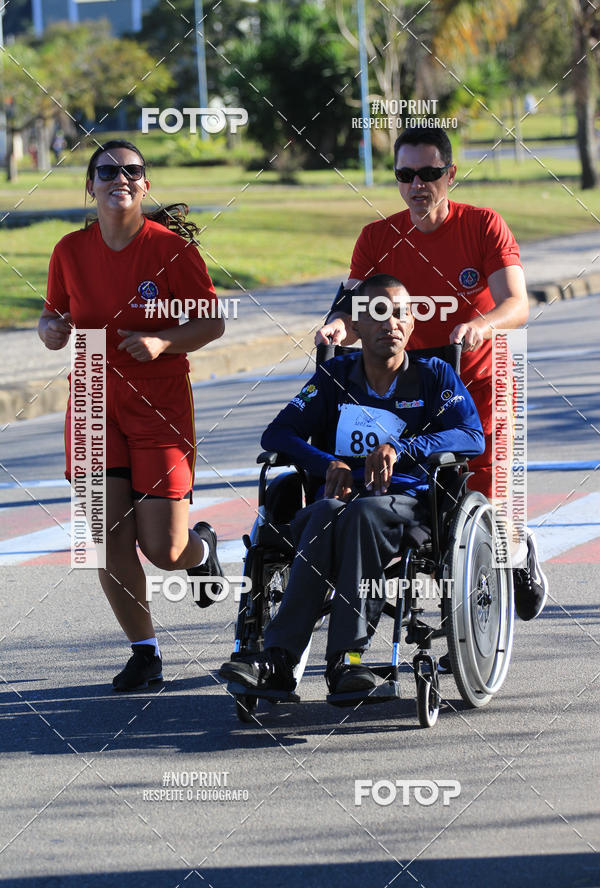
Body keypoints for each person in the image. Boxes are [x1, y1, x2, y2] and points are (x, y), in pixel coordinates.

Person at [316, 125, 547, 623]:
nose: (417, 185)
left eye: (428, 174)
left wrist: (480, 325)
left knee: (488, 499)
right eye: (405, 174)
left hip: (481, 382)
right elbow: (352, 310)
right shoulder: (377, 237)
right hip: (409, 391)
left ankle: (520, 554)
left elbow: (517, 303)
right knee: (421, 503)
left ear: (450, 175)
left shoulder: (483, 226)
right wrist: (336, 327)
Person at [220, 275, 484, 696]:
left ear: (413, 322)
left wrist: (401, 448)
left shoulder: (435, 376)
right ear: (356, 325)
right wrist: (328, 465)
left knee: (360, 513)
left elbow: (471, 436)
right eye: (377, 314)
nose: (390, 323)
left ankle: (349, 659)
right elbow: (278, 434)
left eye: (399, 313)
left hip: (404, 505)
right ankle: (278, 660)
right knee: (324, 513)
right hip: (336, 501)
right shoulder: (334, 376)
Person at [38, 140, 225, 691]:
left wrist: (164, 342)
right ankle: (145, 652)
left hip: (158, 399)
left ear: (145, 184)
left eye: (132, 171)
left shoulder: (171, 251)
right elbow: (54, 318)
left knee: (164, 550)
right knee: (103, 536)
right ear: (89, 185)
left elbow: (211, 323)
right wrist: (50, 330)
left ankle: (202, 548)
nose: (120, 178)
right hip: (94, 394)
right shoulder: (69, 250)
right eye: (108, 171)